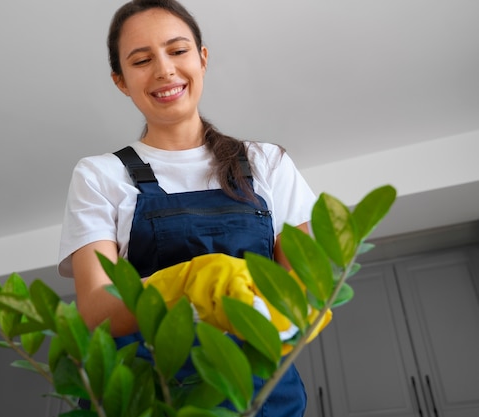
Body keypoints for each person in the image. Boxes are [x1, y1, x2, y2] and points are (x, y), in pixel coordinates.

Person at [58, 1, 316, 415]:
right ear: (121, 81)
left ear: (203, 58)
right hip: (155, 398)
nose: (164, 70)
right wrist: (191, 280)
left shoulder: (267, 163)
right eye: (141, 60)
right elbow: (97, 309)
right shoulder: (100, 175)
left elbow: (304, 289)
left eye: (177, 51)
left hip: (263, 398)